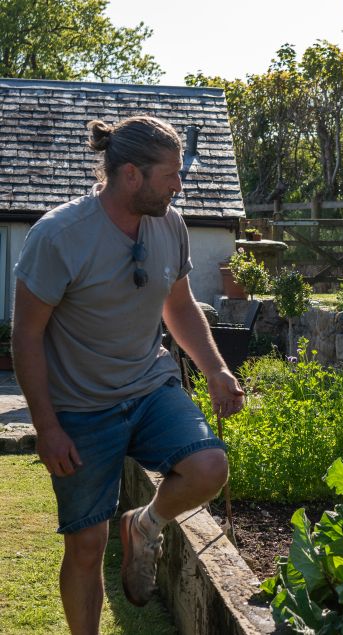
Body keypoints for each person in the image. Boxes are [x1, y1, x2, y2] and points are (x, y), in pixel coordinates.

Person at [11, 115, 244, 635]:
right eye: (171, 175)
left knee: (208, 466)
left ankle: (145, 524)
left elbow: (179, 307)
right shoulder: (59, 235)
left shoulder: (170, 223)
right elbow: (25, 336)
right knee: (87, 544)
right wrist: (48, 427)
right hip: (80, 407)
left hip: (149, 385)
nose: (179, 185)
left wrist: (214, 368)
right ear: (132, 175)